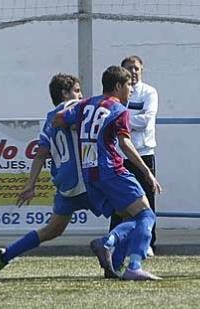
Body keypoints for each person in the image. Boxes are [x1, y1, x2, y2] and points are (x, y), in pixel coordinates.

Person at [53, 65, 162, 280]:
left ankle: (115, 265)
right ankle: (127, 258)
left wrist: (78, 127)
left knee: (128, 216)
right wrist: (147, 172)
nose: (131, 89)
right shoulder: (119, 110)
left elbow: (58, 119)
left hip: (90, 173)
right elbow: (125, 144)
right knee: (146, 215)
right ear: (118, 86)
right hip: (111, 169)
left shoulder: (85, 104)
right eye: (129, 84)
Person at [0, 73, 90, 278]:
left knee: (52, 230)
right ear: (65, 93)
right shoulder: (71, 111)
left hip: (65, 184)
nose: (81, 95)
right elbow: (78, 125)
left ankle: (6, 255)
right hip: (84, 182)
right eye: (77, 91)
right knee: (129, 210)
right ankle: (114, 251)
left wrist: (30, 184)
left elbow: (41, 153)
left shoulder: (50, 119)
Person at [109, 55, 159, 258]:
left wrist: (120, 120)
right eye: (129, 68)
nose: (133, 72)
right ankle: (113, 243)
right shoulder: (117, 94)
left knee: (147, 200)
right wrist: (124, 120)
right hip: (119, 155)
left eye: (136, 68)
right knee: (119, 203)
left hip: (144, 153)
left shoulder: (149, 92)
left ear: (142, 69)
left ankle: (147, 244)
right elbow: (110, 118)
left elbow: (146, 121)